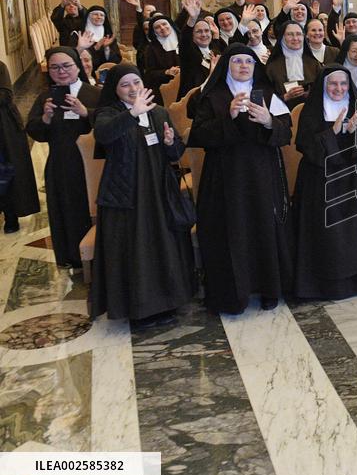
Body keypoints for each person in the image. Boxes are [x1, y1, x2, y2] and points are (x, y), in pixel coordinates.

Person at [187, 45, 294, 313]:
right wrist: (229, 117)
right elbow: (198, 136)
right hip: (225, 178)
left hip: (262, 174)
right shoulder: (212, 96)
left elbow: (286, 134)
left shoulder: (268, 93)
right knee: (230, 230)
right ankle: (233, 294)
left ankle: (270, 288)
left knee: (264, 228)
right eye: (237, 61)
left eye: (249, 61)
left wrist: (270, 121)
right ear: (226, 65)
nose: (244, 66)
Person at [89, 65, 195, 327]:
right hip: (125, 194)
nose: (133, 88)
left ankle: (169, 302)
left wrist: (171, 144)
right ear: (115, 89)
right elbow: (105, 134)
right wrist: (132, 114)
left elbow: (176, 154)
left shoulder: (159, 112)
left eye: (136, 82)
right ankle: (137, 307)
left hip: (158, 191)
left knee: (163, 246)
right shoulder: (108, 113)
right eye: (125, 84)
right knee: (133, 249)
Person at [290, 65, 357, 299]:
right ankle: (320, 284)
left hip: (352, 180)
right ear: (323, 85)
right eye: (333, 83)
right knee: (323, 233)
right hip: (318, 181)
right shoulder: (311, 110)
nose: (338, 89)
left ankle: (355, 280)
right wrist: (332, 132)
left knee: (351, 234)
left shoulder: (356, 106)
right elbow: (305, 146)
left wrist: (354, 132)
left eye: (343, 84)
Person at [26, 48, 101, 267]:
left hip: (94, 165)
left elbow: (111, 123)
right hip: (61, 164)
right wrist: (46, 118)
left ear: (78, 65)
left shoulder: (94, 94)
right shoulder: (45, 97)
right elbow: (34, 131)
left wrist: (87, 113)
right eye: (55, 67)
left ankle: (98, 256)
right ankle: (73, 256)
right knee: (66, 210)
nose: (61, 71)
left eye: (67, 65)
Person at [0, 59, 40, 233]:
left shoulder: (0, 67)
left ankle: (11, 215)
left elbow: (4, 96)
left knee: (6, 172)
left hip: (3, 128)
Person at [266, 21, 322, 109]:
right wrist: (285, 97)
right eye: (290, 34)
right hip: (282, 114)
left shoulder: (314, 63)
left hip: (311, 111)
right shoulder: (272, 67)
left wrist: (311, 94)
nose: (295, 38)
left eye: (299, 34)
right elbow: (266, 98)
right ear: (282, 37)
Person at [143, 14, 182, 104]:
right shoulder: (151, 49)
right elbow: (150, 73)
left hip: (186, 84)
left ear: (170, 25)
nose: (162, 28)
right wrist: (167, 72)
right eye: (157, 27)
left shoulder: (183, 42)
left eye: (164, 24)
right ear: (154, 32)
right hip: (162, 88)